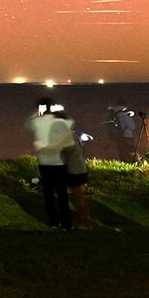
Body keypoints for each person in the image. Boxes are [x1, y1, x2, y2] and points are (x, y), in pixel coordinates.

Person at [29, 98, 72, 228]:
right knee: (62, 194)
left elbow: (30, 122)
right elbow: (71, 123)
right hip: (60, 162)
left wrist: (38, 112)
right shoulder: (60, 121)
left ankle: (54, 222)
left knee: (48, 194)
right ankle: (66, 223)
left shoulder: (36, 122)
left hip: (45, 163)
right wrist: (60, 111)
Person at [54, 102, 93, 230]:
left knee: (78, 197)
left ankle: (82, 223)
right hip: (79, 168)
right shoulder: (72, 133)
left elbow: (60, 151)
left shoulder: (66, 136)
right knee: (79, 196)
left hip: (74, 170)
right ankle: (84, 221)